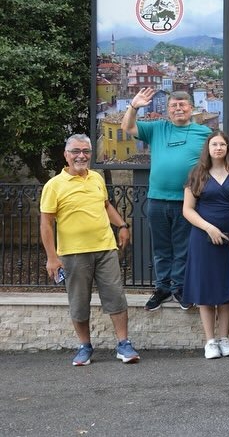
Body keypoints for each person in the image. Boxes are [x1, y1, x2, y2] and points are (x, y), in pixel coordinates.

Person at [40, 134, 139, 366]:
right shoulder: (54, 186)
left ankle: (123, 344)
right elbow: (46, 223)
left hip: (105, 249)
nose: (81, 155)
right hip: (73, 253)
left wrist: (122, 225)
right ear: (66, 155)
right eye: (76, 151)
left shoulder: (96, 178)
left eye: (85, 151)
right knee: (79, 301)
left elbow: (105, 205)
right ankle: (84, 346)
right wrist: (52, 258)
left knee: (116, 296)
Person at [122, 87, 212, 311]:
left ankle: (179, 288)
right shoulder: (157, 128)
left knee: (183, 248)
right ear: (168, 110)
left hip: (188, 202)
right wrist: (134, 106)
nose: (178, 108)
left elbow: (218, 159)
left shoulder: (203, 133)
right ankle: (162, 288)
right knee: (161, 248)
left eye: (182, 105)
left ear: (191, 109)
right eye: (174, 105)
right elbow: (127, 127)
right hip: (157, 199)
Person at [182, 131, 229, 359]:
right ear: (208, 148)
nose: (219, 148)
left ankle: (224, 338)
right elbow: (187, 209)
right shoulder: (197, 174)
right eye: (214, 144)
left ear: (228, 148)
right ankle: (210, 341)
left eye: (222, 144)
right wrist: (209, 228)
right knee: (206, 289)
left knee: (227, 288)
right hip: (204, 239)